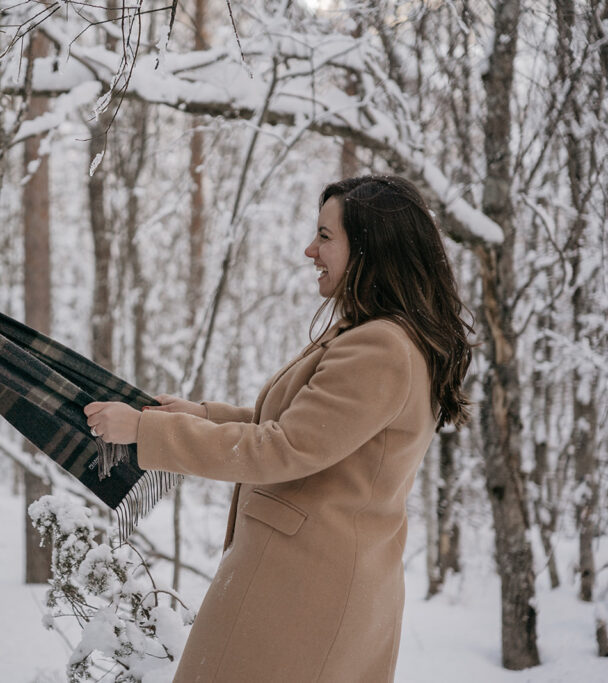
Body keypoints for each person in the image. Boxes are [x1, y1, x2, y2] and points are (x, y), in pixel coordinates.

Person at [85, 175, 473, 682]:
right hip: (308, 584)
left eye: (326, 237)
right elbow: (302, 429)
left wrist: (144, 432)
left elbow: (283, 448)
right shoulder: (378, 336)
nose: (310, 250)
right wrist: (198, 416)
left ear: (371, 248)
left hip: (303, 594)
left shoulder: (380, 347)